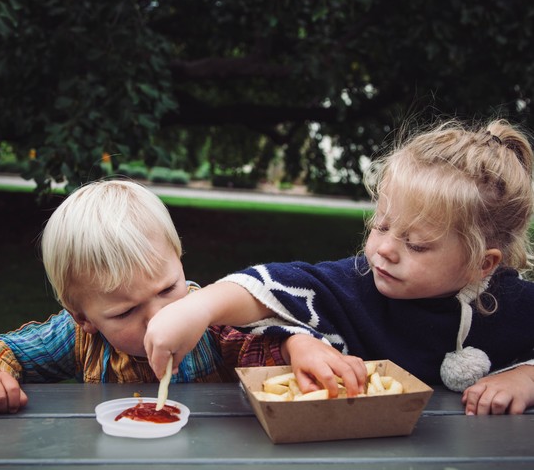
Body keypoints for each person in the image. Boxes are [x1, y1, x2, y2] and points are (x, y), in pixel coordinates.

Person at [144, 119, 534, 415]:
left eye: (415, 244)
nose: (384, 250)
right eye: (380, 225)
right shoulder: (356, 283)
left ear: (481, 264)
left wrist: (527, 377)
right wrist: (198, 307)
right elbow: (269, 285)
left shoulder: (517, 304)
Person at [0, 180, 286, 415]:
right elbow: (3, 350)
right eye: (125, 312)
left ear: (179, 261)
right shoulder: (76, 339)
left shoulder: (209, 322)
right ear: (84, 318)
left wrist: (294, 347)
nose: (160, 317)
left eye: (167, 289)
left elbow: (263, 349)